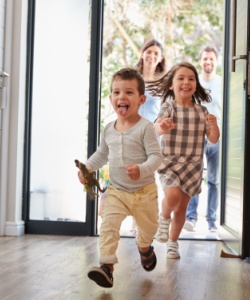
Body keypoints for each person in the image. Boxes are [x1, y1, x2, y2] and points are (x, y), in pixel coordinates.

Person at [77, 68, 162, 288]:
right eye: (116, 92)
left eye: (129, 92)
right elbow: (102, 154)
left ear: (141, 99)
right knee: (108, 225)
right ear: (111, 98)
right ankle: (107, 266)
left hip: (144, 192)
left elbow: (156, 156)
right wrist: (87, 168)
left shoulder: (146, 127)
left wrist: (142, 169)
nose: (122, 97)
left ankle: (144, 247)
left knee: (149, 228)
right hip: (117, 190)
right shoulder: (108, 130)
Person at [149, 62, 220, 259]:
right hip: (170, 163)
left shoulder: (202, 111)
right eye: (181, 78)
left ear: (196, 85)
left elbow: (213, 139)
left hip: (193, 167)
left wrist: (213, 126)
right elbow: (155, 129)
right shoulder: (168, 107)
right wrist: (162, 127)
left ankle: (173, 243)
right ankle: (163, 219)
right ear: (171, 85)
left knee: (182, 208)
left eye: (191, 79)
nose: (186, 82)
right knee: (172, 196)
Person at [129, 39, 167, 236]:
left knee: (150, 178)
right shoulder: (134, 79)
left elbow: (164, 111)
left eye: (156, 53)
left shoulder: (162, 84)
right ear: (143, 53)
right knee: (136, 178)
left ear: (160, 58)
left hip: (152, 135)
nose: (152, 56)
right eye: (149, 51)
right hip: (133, 133)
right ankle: (136, 223)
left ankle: (151, 220)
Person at [183, 46, 222, 232]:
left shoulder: (222, 83)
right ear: (201, 61)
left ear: (216, 61)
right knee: (194, 177)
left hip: (216, 137)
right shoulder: (194, 83)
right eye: (205, 59)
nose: (208, 62)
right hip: (196, 137)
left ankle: (212, 220)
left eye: (211, 59)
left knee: (214, 179)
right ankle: (191, 217)